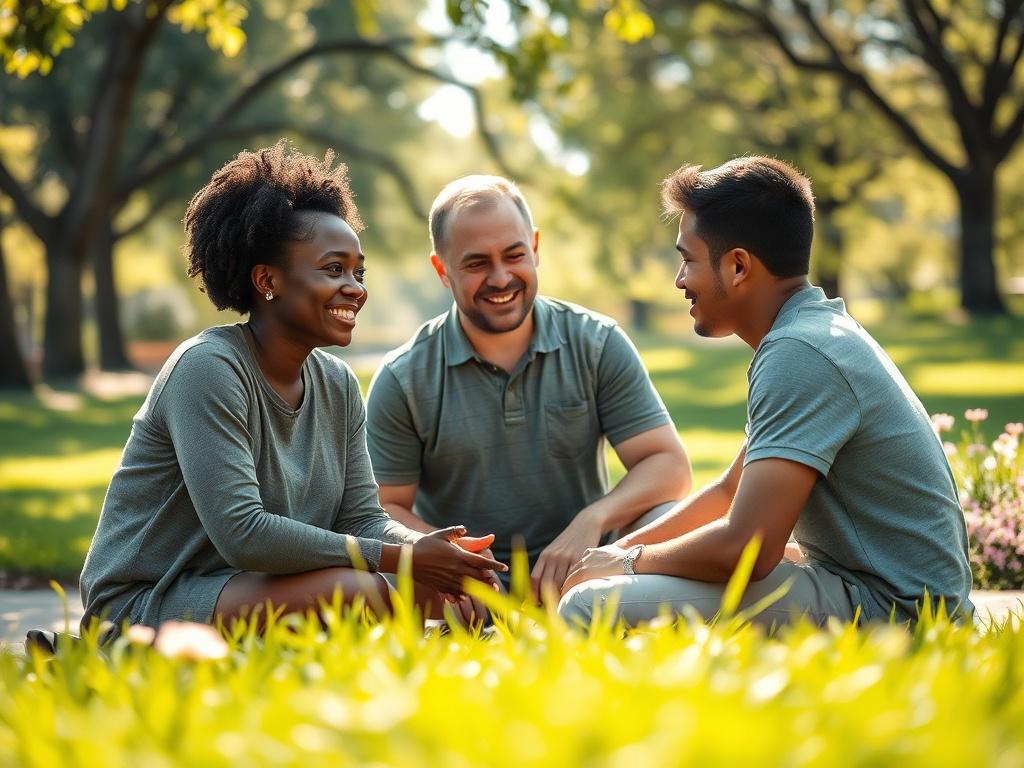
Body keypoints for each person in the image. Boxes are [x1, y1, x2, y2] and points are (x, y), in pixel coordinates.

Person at [80, 143, 506, 636]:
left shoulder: (338, 384)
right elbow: (244, 533)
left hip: (251, 584)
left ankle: (415, 643)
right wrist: (402, 557)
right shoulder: (208, 369)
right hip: (146, 599)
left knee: (454, 588)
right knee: (359, 593)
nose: (355, 288)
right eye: (333, 269)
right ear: (268, 280)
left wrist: (434, 551)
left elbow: (362, 519)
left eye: (358, 272)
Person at [558, 156, 973, 627]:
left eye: (687, 259)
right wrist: (614, 553)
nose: (679, 280)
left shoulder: (800, 353)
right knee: (631, 555)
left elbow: (747, 548)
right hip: (869, 586)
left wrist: (627, 564)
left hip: (899, 612)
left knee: (590, 605)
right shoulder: (812, 331)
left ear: (737, 266)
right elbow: (730, 490)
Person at [365, 175, 690, 603]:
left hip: (588, 571)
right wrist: (453, 557)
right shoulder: (403, 376)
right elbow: (383, 508)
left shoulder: (597, 343)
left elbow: (668, 465)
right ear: (442, 270)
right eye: (476, 263)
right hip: (461, 584)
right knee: (378, 568)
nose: (501, 278)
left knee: (670, 518)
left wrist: (592, 520)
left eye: (514, 255)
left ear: (534, 248)